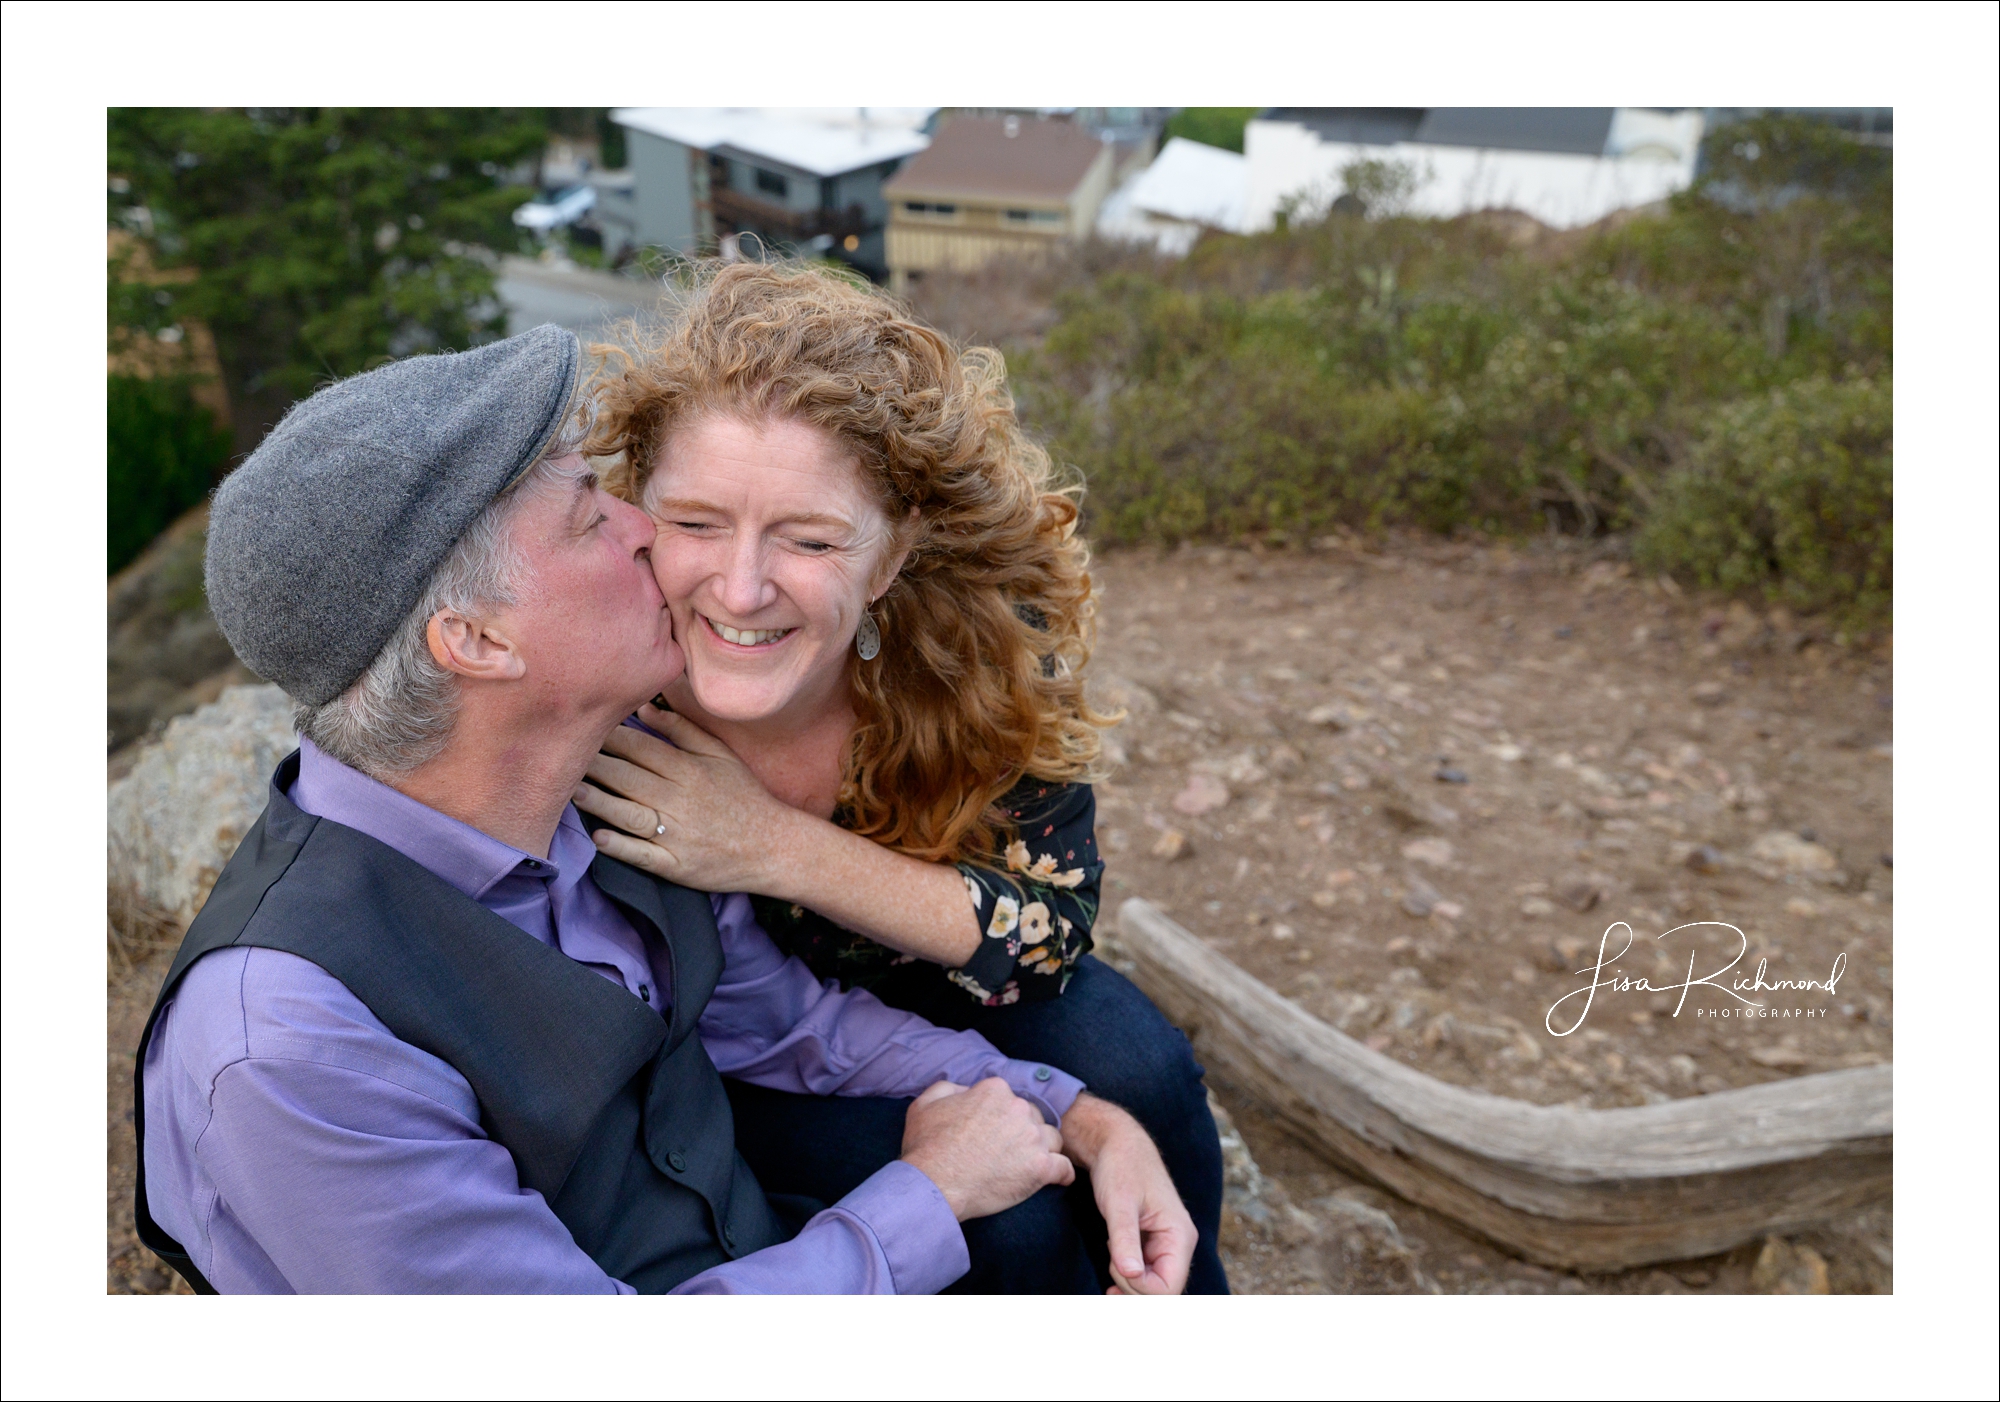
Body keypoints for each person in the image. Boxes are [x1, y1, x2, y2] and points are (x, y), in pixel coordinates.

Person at [134, 323, 1196, 1294]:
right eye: (591, 515)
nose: (646, 531)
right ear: (478, 642)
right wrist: (920, 1198)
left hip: (724, 1243)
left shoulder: (584, 789)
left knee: (1059, 1164)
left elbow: (795, 1026)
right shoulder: (290, 1050)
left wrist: (1081, 1112)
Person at [571, 262, 1230, 1293]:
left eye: (809, 537)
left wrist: (770, 844)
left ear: (889, 558)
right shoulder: (599, 670)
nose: (740, 587)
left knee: (1138, 1068)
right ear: (634, 505)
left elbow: (1047, 928)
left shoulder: (968, 662)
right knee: (1010, 1217)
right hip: (732, 1054)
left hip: (936, 978)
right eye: (695, 522)